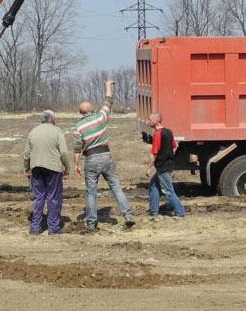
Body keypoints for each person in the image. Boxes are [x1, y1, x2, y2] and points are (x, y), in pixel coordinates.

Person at [72, 79, 136, 231]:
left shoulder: (78, 127)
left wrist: (76, 165)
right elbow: (108, 101)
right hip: (106, 156)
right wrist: (108, 86)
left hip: (91, 159)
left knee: (91, 193)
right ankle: (128, 216)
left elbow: (77, 148)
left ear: (80, 113)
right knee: (116, 187)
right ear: (92, 110)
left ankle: (91, 223)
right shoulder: (101, 117)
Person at [23, 109, 72, 235]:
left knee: (38, 198)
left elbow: (26, 154)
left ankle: (35, 228)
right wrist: (67, 168)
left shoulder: (33, 131)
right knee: (54, 197)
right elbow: (64, 152)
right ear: (53, 120)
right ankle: (53, 227)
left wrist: (26, 169)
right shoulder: (57, 131)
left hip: (36, 168)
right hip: (53, 168)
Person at [145, 111, 185, 218]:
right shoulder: (169, 131)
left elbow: (154, 153)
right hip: (168, 164)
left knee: (167, 190)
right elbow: (174, 146)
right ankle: (154, 211)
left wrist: (149, 168)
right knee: (153, 185)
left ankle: (180, 212)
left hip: (163, 166)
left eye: (149, 120)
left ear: (155, 121)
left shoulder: (157, 134)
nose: (147, 122)